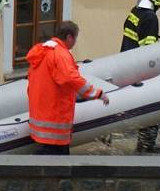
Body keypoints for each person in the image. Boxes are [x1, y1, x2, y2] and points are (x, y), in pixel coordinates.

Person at [27, 21, 109, 155]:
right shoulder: (60, 54)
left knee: (45, 158)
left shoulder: (42, 51)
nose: (75, 42)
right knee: (57, 162)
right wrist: (97, 94)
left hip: (40, 117)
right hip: (54, 121)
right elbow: (72, 79)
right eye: (75, 38)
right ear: (69, 37)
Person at [120, 0, 160, 154]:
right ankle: (147, 144)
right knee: (153, 104)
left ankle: (143, 142)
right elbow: (149, 51)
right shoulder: (150, 18)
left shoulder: (135, 11)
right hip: (140, 68)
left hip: (126, 62)